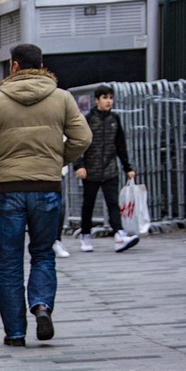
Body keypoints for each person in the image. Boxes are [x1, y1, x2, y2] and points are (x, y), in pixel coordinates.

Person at [0, 42, 91, 346]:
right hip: (46, 187)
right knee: (43, 253)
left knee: (8, 263)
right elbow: (83, 138)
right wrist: (56, 161)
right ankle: (42, 305)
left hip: (10, 189)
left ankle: (15, 333)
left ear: (14, 66)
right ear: (42, 66)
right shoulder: (62, 98)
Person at [73, 85, 139, 254]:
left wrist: (127, 167)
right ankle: (85, 235)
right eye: (105, 98)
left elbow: (120, 145)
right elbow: (79, 143)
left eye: (110, 97)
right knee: (88, 204)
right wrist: (79, 165)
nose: (109, 101)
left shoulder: (114, 119)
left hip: (110, 170)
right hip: (91, 170)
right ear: (97, 100)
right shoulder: (88, 119)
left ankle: (119, 234)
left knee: (113, 203)